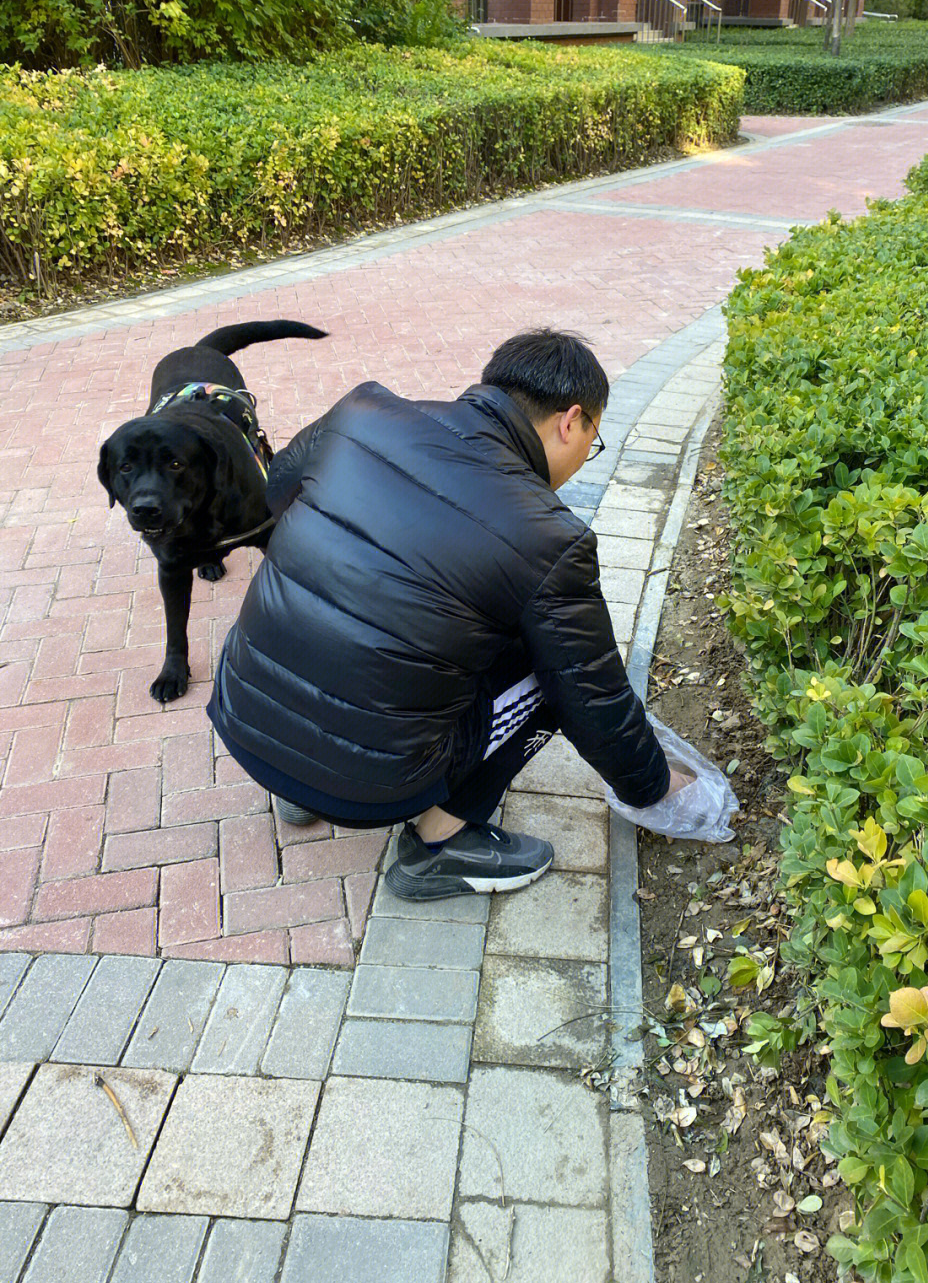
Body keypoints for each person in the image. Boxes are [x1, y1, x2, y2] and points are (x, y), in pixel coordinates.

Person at [207, 328, 690, 901]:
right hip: (372, 786)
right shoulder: (548, 536)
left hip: (244, 717)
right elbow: (594, 698)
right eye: (594, 440)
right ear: (571, 421)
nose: (587, 455)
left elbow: (278, 491)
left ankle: (301, 790)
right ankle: (439, 844)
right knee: (552, 667)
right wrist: (655, 788)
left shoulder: (360, 413)